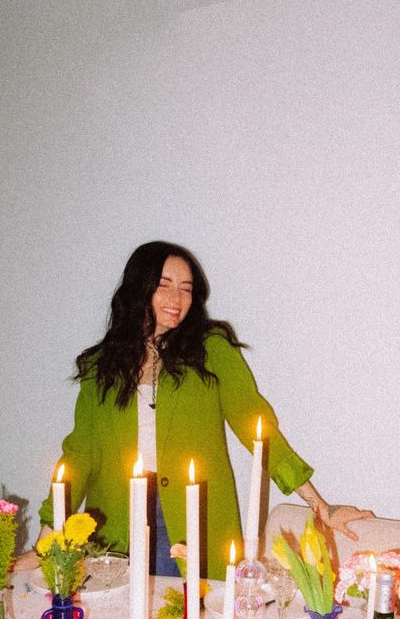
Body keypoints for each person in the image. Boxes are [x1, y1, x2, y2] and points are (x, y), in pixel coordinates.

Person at [30, 241, 371, 579]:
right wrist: (48, 537)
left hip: (188, 516)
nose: (177, 300)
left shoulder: (211, 349)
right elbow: (80, 453)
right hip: (115, 521)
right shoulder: (100, 365)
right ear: (138, 289)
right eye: (164, 286)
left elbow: (256, 427)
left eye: (186, 289)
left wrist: (318, 504)